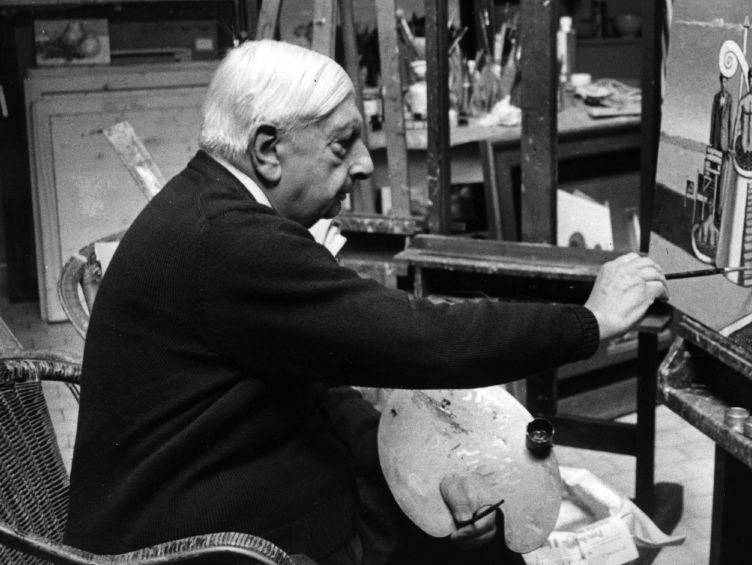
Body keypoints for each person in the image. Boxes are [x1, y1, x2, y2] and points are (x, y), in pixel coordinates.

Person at [64, 40, 668, 564]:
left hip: (205, 501)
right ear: (268, 148)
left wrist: (421, 481)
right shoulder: (227, 240)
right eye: (342, 143)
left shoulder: (209, 204)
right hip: (186, 547)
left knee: (456, 530)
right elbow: (421, 339)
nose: (363, 164)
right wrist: (588, 322)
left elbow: (314, 385)